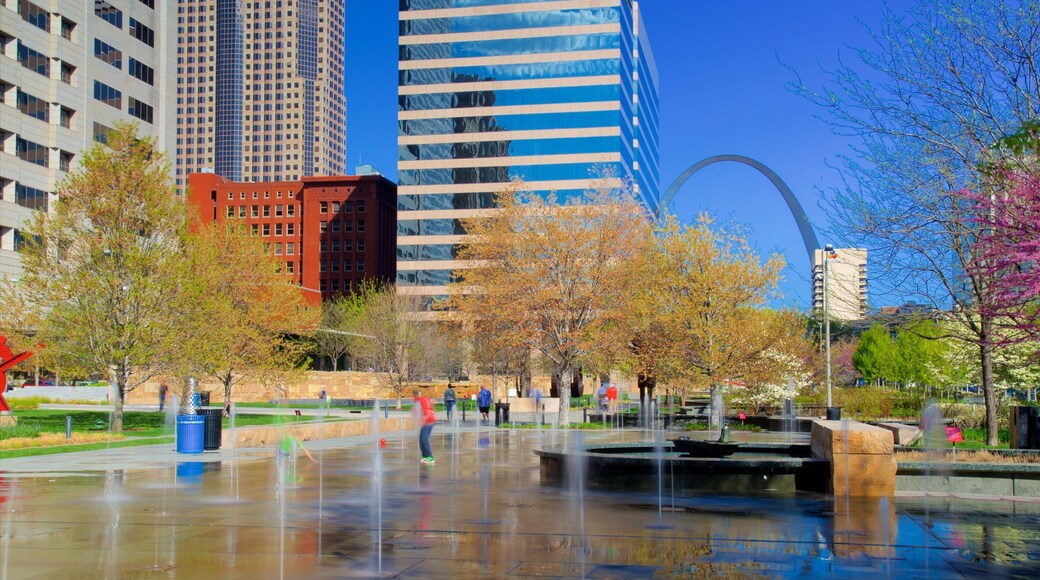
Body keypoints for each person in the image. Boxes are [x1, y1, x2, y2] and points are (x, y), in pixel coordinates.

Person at [414, 388, 436, 463]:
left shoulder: (421, 400)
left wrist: (422, 421)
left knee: (424, 439)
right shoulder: (422, 400)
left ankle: (430, 456)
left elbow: (428, 412)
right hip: (427, 421)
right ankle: (425, 455)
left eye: (414, 396)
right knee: (421, 440)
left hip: (429, 421)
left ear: (416, 395)